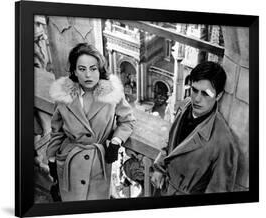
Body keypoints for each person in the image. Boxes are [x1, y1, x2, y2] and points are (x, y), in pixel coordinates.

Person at [46, 43, 135, 201]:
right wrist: (52, 159)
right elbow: (57, 132)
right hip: (70, 162)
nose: (88, 75)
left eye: (93, 69)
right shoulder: (63, 96)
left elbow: (127, 121)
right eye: (82, 69)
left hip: (98, 165)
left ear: (99, 70)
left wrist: (116, 141)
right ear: (74, 71)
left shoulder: (112, 94)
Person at [151, 61, 239, 195]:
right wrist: (159, 168)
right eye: (194, 90)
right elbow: (171, 144)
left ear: (218, 96)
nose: (197, 99)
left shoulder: (224, 143)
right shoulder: (185, 106)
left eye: (205, 94)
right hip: (163, 189)